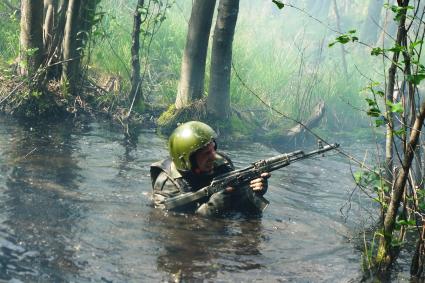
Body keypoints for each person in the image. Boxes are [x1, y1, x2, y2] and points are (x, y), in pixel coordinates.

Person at [150, 121, 270, 216]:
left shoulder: (222, 164)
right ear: (188, 160)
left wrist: (253, 191)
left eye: (214, 149)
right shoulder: (167, 186)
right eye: (206, 153)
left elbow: (240, 205)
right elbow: (172, 227)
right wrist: (212, 207)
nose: (214, 156)